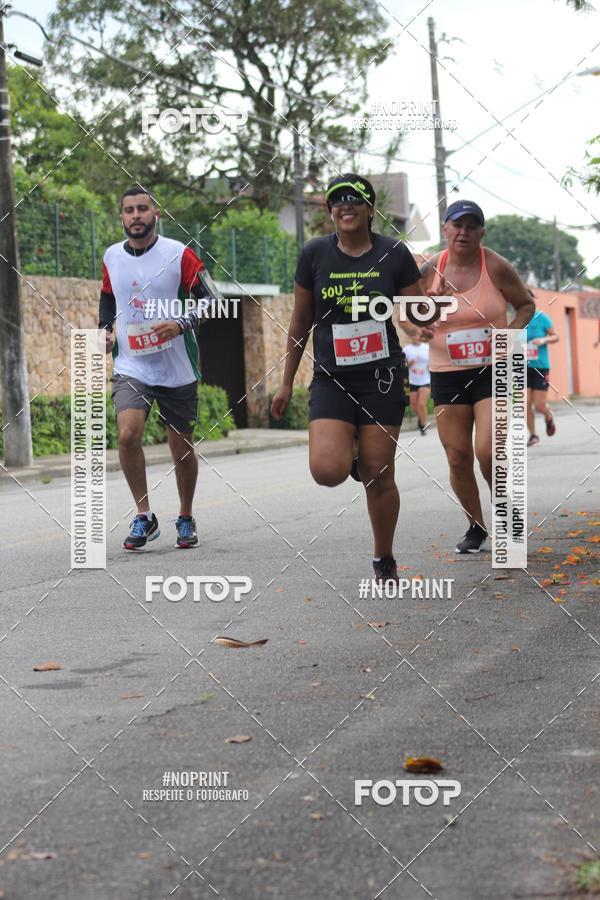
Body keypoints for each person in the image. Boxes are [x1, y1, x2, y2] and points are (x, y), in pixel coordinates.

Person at [271, 173, 425, 583]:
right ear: (330, 211)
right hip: (332, 376)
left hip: (381, 376)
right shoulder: (315, 254)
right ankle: (353, 453)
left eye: (355, 199)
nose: (346, 205)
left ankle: (383, 557)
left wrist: (419, 325)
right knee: (327, 471)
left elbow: (417, 309)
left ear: (370, 209)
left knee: (379, 474)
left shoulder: (394, 253)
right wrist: (286, 381)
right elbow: (301, 320)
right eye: (337, 200)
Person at [419, 200, 535, 554]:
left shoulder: (496, 266)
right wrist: (420, 326)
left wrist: (509, 336)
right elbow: (408, 315)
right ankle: (476, 526)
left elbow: (526, 304)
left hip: (493, 370)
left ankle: (507, 514)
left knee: (489, 450)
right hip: (446, 374)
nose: (463, 232)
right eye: (457, 225)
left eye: (472, 226)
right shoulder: (429, 270)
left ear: (482, 232)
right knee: (457, 456)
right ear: (445, 230)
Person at [99, 186, 210, 551]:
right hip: (133, 365)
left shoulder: (179, 254)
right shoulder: (112, 256)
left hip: (177, 366)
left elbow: (211, 301)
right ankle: (144, 516)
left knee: (180, 448)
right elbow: (107, 297)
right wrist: (106, 330)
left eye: (142, 209)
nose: (135, 216)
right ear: (121, 217)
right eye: (128, 210)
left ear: (155, 214)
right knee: (128, 434)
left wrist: (181, 324)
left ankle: (185, 516)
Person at [526, 305, 559, 446]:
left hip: (540, 366)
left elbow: (556, 336)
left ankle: (548, 415)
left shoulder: (541, 317)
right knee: (524, 403)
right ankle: (533, 435)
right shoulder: (513, 318)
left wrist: (543, 340)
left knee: (539, 405)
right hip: (521, 367)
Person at [403, 337, 430, 434]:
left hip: (425, 380)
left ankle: (423, 426)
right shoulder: (406, 350)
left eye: (418, 336)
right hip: (412, 381)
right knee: (414, 406)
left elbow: (431, 363)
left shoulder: (426, 348)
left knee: (421, 404)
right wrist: (409, 364)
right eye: (413, 336)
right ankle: (421, 419)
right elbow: (402, 365)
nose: (416, 338)